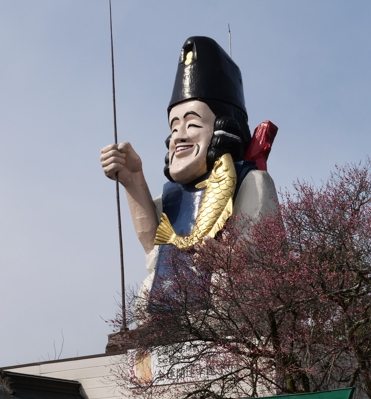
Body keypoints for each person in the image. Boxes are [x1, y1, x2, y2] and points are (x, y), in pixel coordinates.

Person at [99, 36, 279, 311]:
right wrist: (133, 179)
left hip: (228, 305)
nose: (178, 137)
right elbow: (154, 252)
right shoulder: (171, 196)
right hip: (174, 307)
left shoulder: (251, 181)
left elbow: (264, 255)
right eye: (173, 128)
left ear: (222, 128)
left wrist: (229, 259)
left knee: (226, 287)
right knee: (145, 293)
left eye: (192, 124)